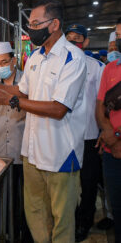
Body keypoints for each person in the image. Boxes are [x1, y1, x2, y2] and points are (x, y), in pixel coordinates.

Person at [0, 0, 87, 242]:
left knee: (62, 219)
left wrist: (10, 101)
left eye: (35, 24)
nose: (30, 29)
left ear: (54, 24)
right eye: (29, 24)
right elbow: (22, 91)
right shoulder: (35, 58)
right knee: (35, 214)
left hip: (60, 152)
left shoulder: (72, 58)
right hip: (31, 153)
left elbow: (59, 108)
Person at [65, 24, 106, 242]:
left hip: (89, 135)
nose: (73, 41)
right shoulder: (60, 64)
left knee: (88, 184)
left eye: (77, 38)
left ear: (86, 42)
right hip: (65, 136)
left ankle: (85, 222)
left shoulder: (97, 67)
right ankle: (69, 220)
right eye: (69, 38)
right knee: (67, 185)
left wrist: (103, 129)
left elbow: (103, 102)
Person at [0, 42, 31, 242]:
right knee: (6, 197)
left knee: (26, 200)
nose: (1, 66)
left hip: (22, 150)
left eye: (4, 62)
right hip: (2, 151)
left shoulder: (27, 82)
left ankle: (25, 235)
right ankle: (7, 232)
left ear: (14, 60)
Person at [96, 21, 121, 243]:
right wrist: (110, 136)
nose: (118, 44)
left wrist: (117, 136)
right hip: (112, 150)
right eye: (116, 39)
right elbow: (100, 107)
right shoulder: (109, 69)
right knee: (117, 207)